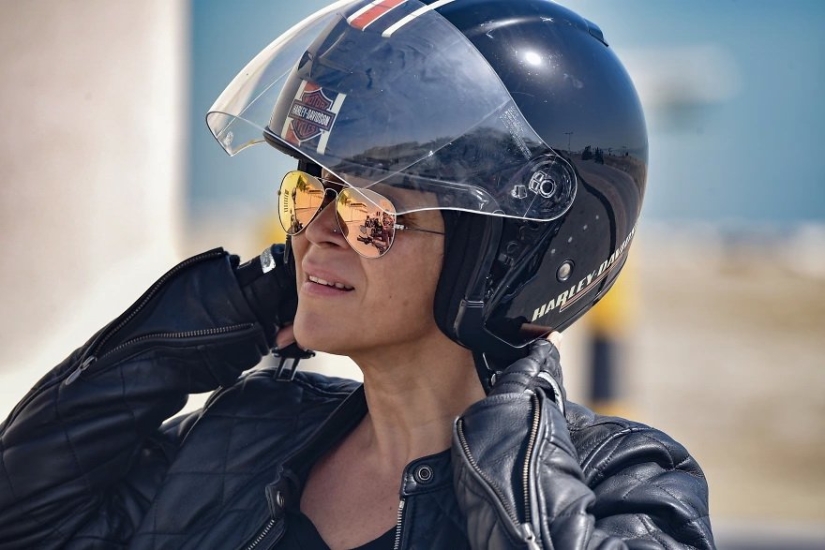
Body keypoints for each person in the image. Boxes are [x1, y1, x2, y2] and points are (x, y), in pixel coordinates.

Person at [0, 0, 715, 548]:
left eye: (367, 210)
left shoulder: (623, 483)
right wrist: (212, 318)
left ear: (499, 256)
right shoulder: (244, 432)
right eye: (311, 190)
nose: (314, 234)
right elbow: (28, 521)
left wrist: (507, 454)